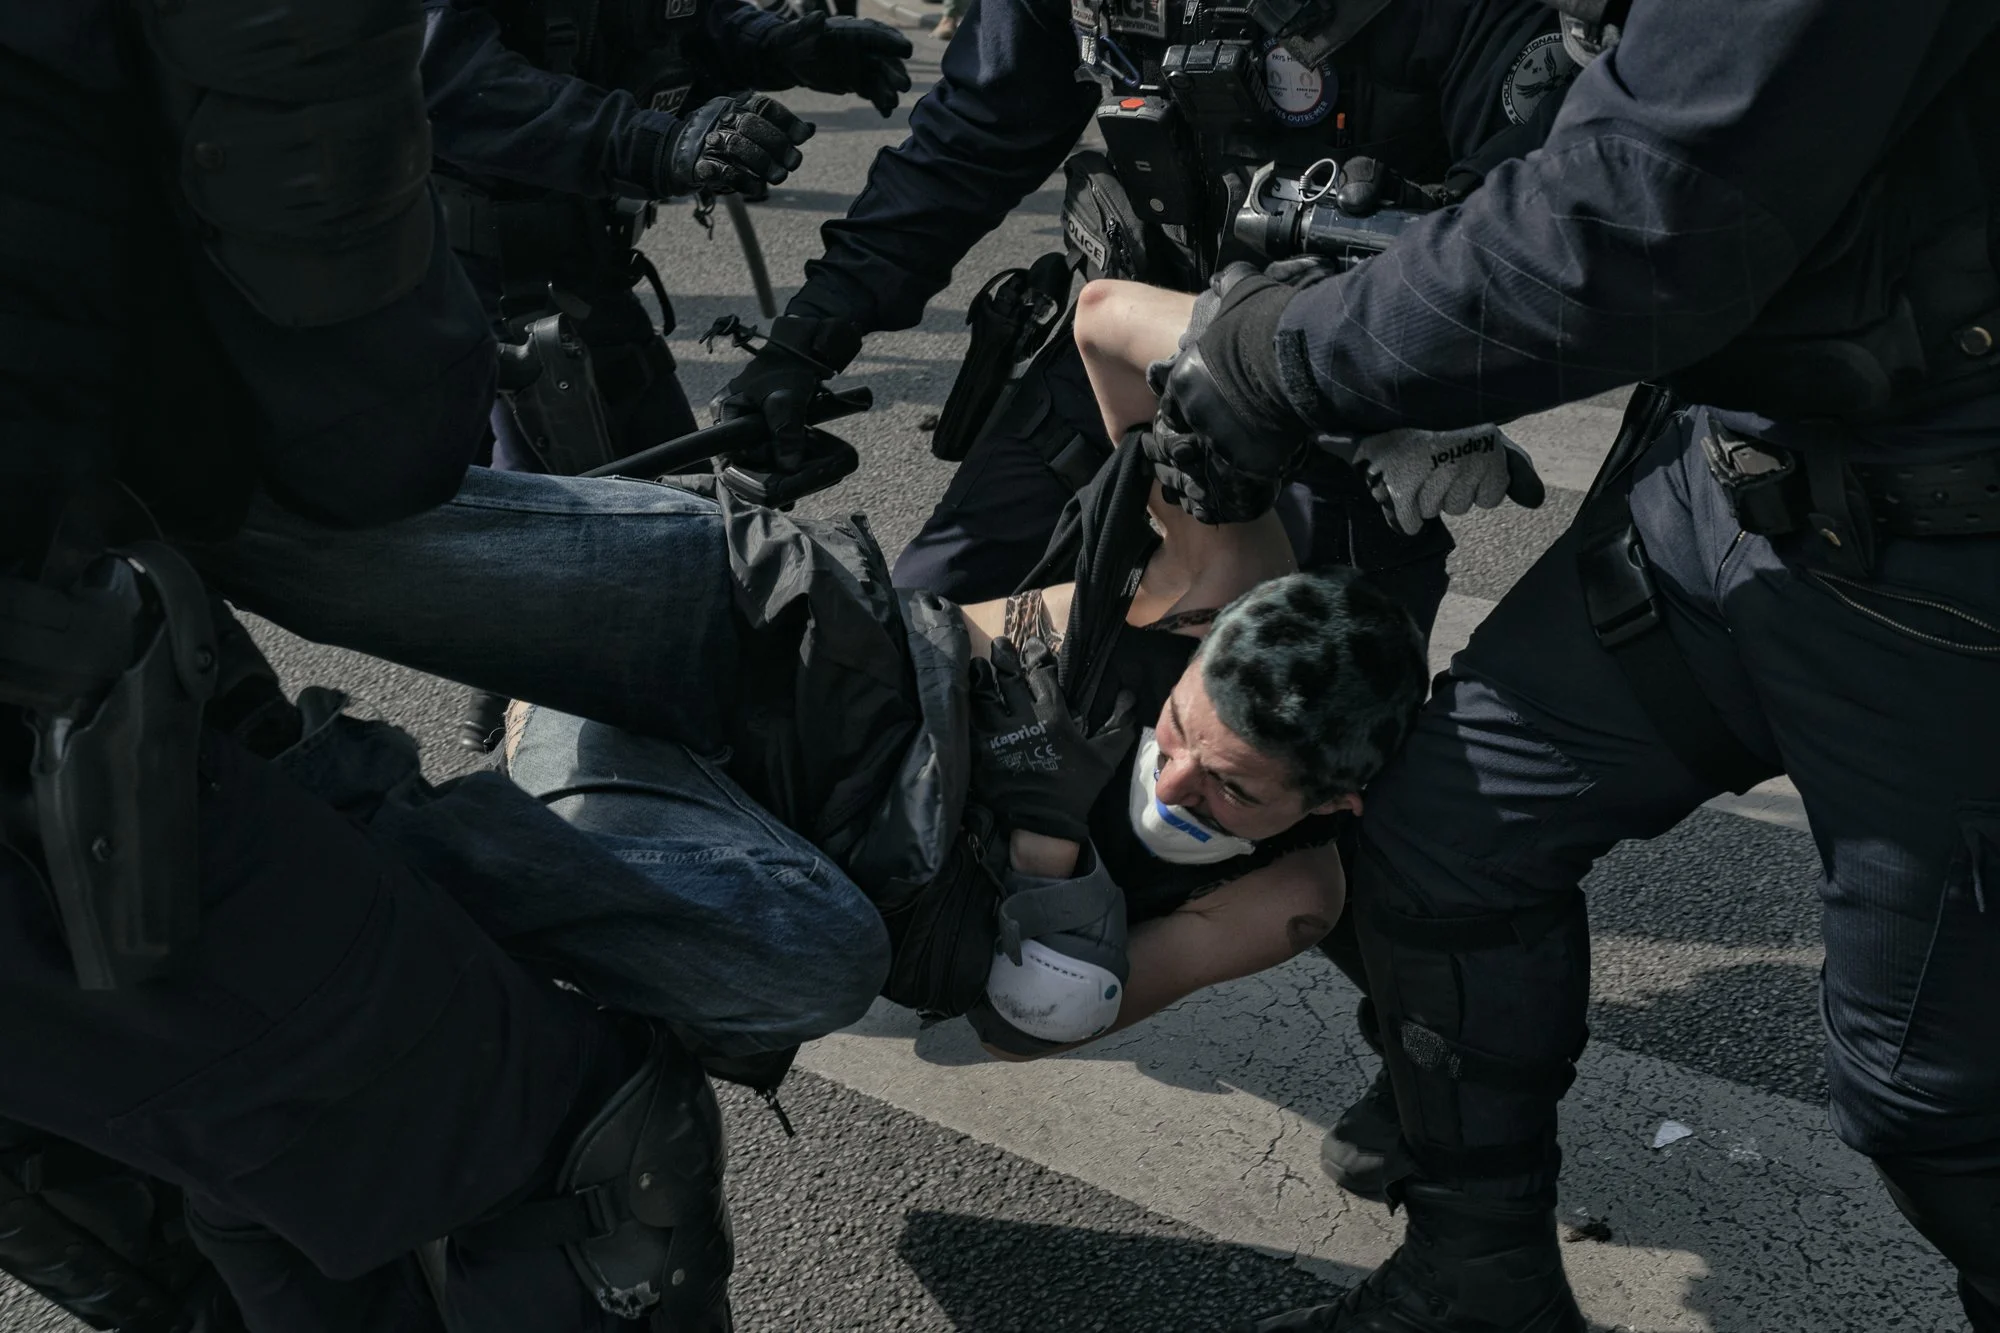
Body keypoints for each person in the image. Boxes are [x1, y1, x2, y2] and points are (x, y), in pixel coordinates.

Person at [1130, 0, 2000, 1328]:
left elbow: (1640, 218)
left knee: (1940, 1101)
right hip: (1735, 476)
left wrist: (1284, 359)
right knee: (1442, 838)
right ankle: (1475, 1280)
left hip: (1947, 558)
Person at [0, 4, 787, 1329]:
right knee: (585, 1164)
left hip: (92, 650)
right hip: (45, 742)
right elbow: (368, 443)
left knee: (197, 1194)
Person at [198, 285, 1432, 1068]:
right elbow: (1107, 315)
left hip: (783, 843)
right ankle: (84, 494)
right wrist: (1332, 368)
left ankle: (268, 801)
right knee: (327, 544)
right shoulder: (1230, 577)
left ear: (1327, 803)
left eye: (1227, 791)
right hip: (794, 639)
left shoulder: (1286, 894)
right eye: (1175, 728)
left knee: (809, 965)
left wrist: (1053, 852)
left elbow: (1014, 1029)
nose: (1174, 774)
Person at [714, 0, 1571, 621]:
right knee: (907, 650)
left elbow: (1548, 208)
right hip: (1118, 358)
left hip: (1343, 386)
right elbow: (971, 138)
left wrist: (1443, 380)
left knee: (1276, 768)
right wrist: (805, 340)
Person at [419, 0, 912, 747]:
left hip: (587, 269)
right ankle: (550, 762)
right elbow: (448, 78)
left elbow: (665, 27)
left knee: (684, 545)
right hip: (479, 287)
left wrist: (780, 47)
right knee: (555, 570)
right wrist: (655, 143)